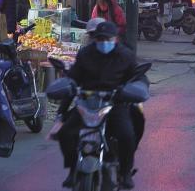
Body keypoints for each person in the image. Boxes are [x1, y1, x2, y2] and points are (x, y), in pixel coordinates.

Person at [57, 22, 139, 189]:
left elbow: (137, 78)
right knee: (65, 133)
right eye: (100, 38)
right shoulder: (85, 54)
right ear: (94, 39)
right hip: (87, 103)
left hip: (115, 104)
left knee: (127, 135)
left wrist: (132, 91)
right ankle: (72, 169)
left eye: (107, 38)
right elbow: (73, 79)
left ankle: (124, 173)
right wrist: (62, 109)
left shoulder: (126, 55)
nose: (103, 42)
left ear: (115, 39)